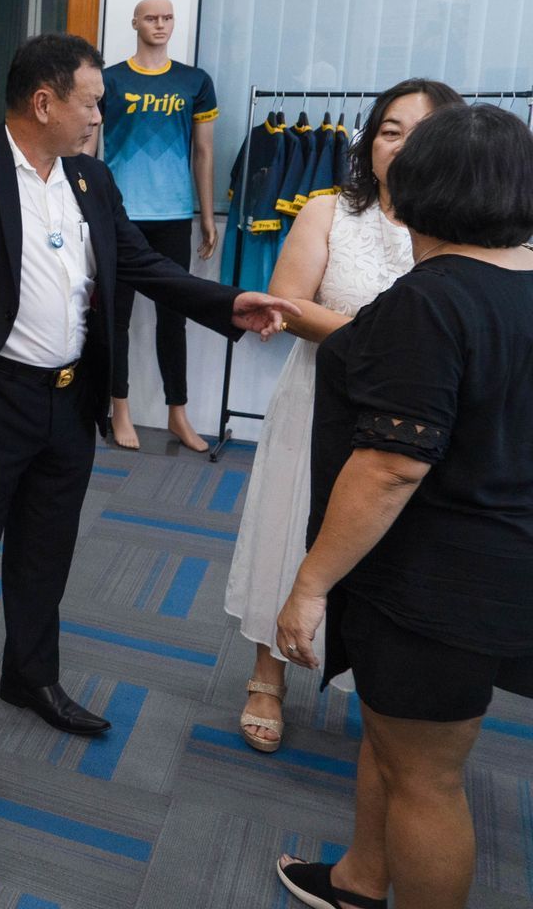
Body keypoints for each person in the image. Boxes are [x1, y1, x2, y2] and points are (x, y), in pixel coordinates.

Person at [0, 33, 294, 752]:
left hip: (69, 399)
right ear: (44, 102)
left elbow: (139, 262)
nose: (98, 117)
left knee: (45, 549)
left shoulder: (90, 180)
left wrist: (227, 302)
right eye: (91, 103)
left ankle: (31, 676)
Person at [275, 105, 533, 909]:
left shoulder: (433, 300)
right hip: (505, 568)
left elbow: (390, 467)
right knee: (393, 745)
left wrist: (310, 585)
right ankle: (359, 880)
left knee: (426, 779)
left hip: (436, 584)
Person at [224, 80, 461, 754]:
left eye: (420, 133)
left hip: (416, 418)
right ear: (369, 141)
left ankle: (376, 686)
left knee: (390, 544)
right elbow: (287, 305)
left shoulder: (464, 230)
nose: (402, 146)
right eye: (390, 130)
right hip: (321, 398)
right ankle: (267, 673)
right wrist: (400, 340)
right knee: (290, 526)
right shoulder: (327, 210)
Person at [92, 0, 221, 451]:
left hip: (173, 215)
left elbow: (204, 151)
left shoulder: (195, 81)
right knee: (116, 318)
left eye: (168, 17)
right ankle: (120, 409)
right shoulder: (109, 81)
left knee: (174, 317)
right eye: (151, 17)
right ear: (135, 22)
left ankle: (177, 414)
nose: (160, 24)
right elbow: (88, 146)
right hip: (121, 215)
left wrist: (207, 215)